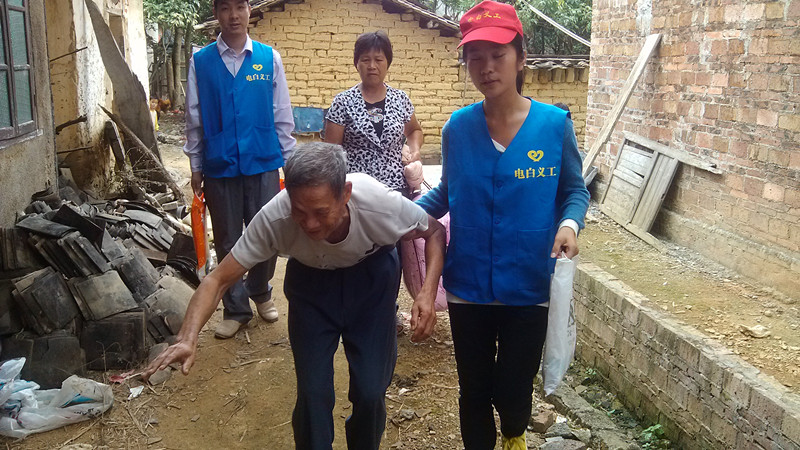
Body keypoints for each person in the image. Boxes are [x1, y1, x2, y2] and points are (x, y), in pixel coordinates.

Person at [144, 143, 446, 450]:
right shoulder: (275, 217)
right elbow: (218, 279)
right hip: (311, 289)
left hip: (371, 284)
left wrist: (426, 292)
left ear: (345, 193)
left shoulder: (379, 203)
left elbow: (434, 231)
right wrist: (188, 337)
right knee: (313, 395)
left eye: (321, 212)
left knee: (370, 391)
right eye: (299, 211)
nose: (310, 223)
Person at [415, 2, 591, 449]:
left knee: (513, 390)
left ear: (521, 58)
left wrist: (570, 224)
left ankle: (514, 434)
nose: (487, 67)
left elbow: (575, 190)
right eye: (475, 57)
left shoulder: (554, 126)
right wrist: (399, 213)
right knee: (473, 390)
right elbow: (447, 194)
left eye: (498, 55)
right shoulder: (458, 129)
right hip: (469, 284)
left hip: (529, 283)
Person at [183, 0, 296, 339]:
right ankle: (235, 308)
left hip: (263, 160)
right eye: (225, 8)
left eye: (239, 6)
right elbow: (194, 117)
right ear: (216, 13)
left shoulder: (268, 58)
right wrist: (196, 165)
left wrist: (291, 163)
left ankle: (259, 290)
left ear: (249, 10)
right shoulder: (201, 61)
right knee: (228, 239)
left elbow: (282, 114)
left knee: (268, 234)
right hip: (220, 163)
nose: (233, 15)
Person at [323, 30, 424, 197]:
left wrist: (415, 151)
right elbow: (331, 152)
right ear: (357, 64)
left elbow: (414, 130)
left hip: (396, 189)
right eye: (365, 60)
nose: (372, 66)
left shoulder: (400, 99)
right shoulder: (343, 102)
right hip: (356, 191)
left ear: (387, 63)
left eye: (378, 60)